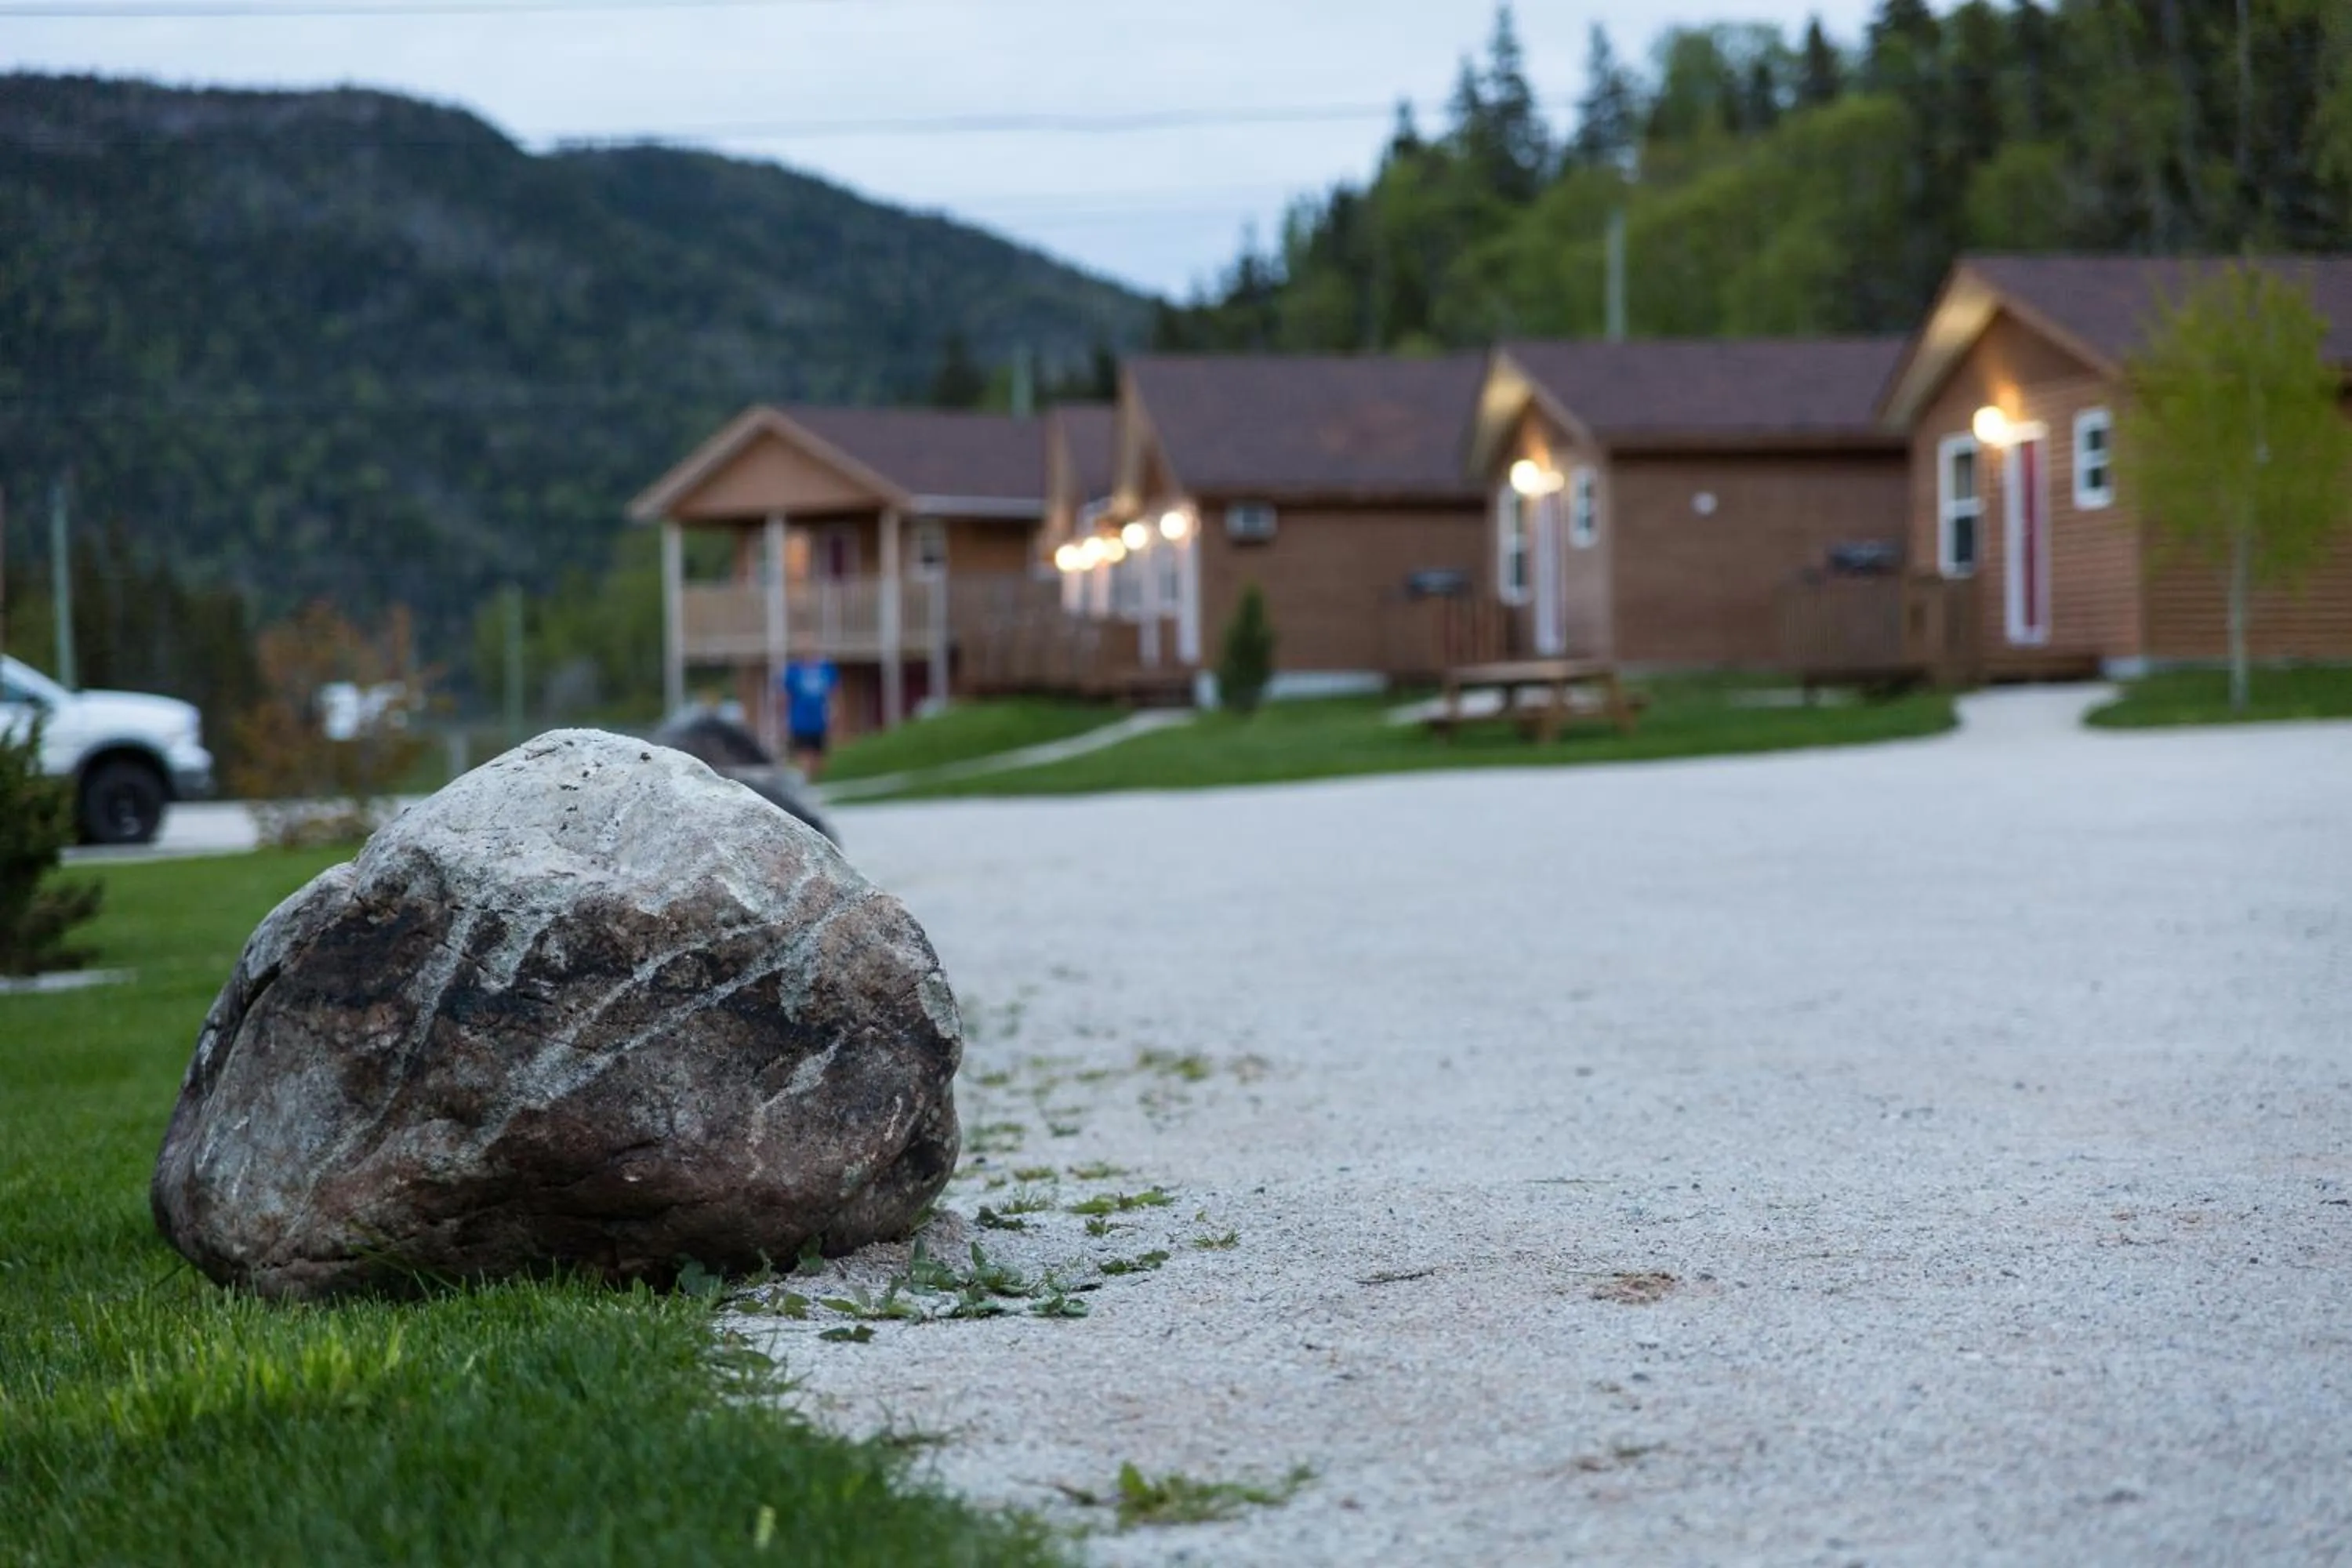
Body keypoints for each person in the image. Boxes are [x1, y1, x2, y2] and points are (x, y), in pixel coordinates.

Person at [779, 655, 837, 782]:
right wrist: (784, 720)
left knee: (819, 757)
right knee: (803, 754)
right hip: (800, 722)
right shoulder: (793, 670)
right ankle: (806, 782)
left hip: (819, 722)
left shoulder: (826, 669)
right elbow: (785, 697)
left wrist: (832, 715)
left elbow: (833, 695)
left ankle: (815, 783)